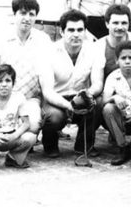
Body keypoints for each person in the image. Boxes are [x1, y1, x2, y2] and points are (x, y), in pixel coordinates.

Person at [40, 9, 105, 158]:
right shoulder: (48, 52)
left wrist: (86, 96)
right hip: (56, 99)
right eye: (71, 30)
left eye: (80, 30)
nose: (76, 34)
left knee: (99, 102)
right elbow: (47, 91)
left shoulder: (94, 50)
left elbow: (98, 83)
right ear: (62, 32)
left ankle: (84, 146)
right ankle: (50, 144)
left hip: (81, 96)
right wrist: (68, 105)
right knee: (54, 117)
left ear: (85, 31)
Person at [0, 0, 52, 135]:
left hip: (30, 99)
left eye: (31, 14)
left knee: (33, 125)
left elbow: (47, 74)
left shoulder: (43, 40)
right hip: (3, 98)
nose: (27, 18)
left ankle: (18, 150)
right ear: (14, 14)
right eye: (22, 13)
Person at [101, 40, 131, 165]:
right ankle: (122, 147)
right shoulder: (112, 77)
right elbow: (104, 101)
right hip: (122, 119)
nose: (127, 61)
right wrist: (114, 97)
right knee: (108, 108)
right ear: (117, 60)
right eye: (123, 58)